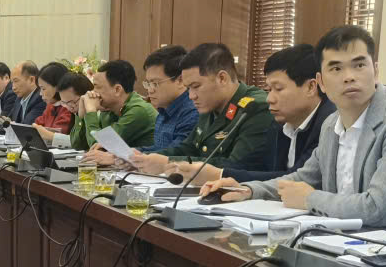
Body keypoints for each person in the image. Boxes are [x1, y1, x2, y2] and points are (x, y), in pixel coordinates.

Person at [202, 25, 386, 234]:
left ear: (376, 71)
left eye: (359, 65)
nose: (349, 77)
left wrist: (310, 199)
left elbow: (378, 209)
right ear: (321, 82)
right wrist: (248, 190)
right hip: (339, 241)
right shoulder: (331, 124)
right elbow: (303, 178)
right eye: (336, 68)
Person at [97, 43, 272, 175]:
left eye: (196, 86)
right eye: (189, 88)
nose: (191, 96)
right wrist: (142, 158)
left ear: (222, 78)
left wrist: (169, 163)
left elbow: (237, 165)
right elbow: (188, 148)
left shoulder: (255, 107)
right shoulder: (210, 105)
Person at [184, 44, 335, 186]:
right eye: (269, 89)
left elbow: (297, 178)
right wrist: (207, 171)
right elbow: (253, 164)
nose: (269, 98)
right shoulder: (280, 124)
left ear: (310, 87)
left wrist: (220, 175)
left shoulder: (328, 125)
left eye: (278, 89)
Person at [72, 59, 157, 155]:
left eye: (97, 87)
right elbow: (78, 145)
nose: (92, 92)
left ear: (117, 89)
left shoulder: (138, 111)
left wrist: (91, 111)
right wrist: (81, 116)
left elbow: (100, 149)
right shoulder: (109, 109)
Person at [142, 45, 198, 151]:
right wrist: (130, 153)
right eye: (148, 83)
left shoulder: (191, 112)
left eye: (155, 83)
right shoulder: (163, 110)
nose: (150, 90)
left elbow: (175, 154)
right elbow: (158, 149)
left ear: (180, 81)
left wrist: (133, 157)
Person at [32, 62, 74, 137]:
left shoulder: (70, 108)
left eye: (43, 89)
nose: (40, 93)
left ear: (58, 86)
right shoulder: (50, 106)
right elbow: (36, 125)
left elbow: (60, 134)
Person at [8, 60, 47, 125]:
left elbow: (26, 126)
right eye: (12, 82)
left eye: (16, 81)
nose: (13, 87)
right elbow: (8, 121)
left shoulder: (41, 98)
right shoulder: (19, 98)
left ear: (31, 80)